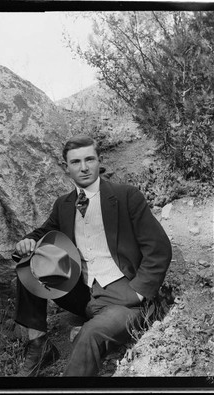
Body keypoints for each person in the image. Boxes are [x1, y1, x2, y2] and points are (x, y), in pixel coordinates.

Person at [12, 135, 172, 377]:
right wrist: (28, 241)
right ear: (66, 168)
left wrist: (138, 292)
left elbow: (159, 248)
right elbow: (43, 232)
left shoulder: (126, 196)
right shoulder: (63, 205)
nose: (84, 167)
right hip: (83, 293)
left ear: (99, 161)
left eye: (89, 159)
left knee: (90, 334)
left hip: (124, 298)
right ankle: (40, 344)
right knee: (29, 264)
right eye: (76, 162)